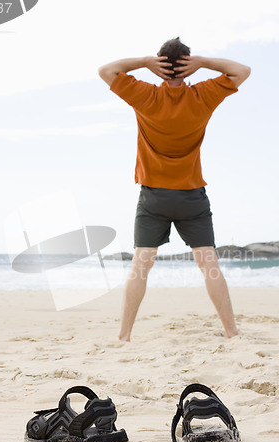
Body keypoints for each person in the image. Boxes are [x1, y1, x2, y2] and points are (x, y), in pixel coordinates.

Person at [98, 37, 251, 342]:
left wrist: (143, 62)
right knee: (209, 264)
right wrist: (204, 63)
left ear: (160, 67)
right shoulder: (203, 95)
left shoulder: (145, 95)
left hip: (154, 195)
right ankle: (232, 332)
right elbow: (242, 71)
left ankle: (124, 336)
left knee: (140, 266)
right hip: (191, 195)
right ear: (188, 67)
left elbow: (107, 71)